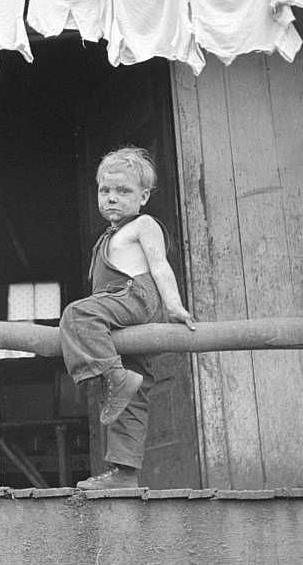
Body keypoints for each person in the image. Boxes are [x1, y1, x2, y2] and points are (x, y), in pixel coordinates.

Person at [60, 146, 196, 490]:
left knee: (77, 314)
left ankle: (112, 377)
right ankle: (125, 474)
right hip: (119, 313)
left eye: (124, 191)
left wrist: (175, 306)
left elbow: (159, 265)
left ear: (144, 196)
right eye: (105, 191)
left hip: (132, 300)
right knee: (133, 396)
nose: (112, 199)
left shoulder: (144, 225)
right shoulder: (107, 236)